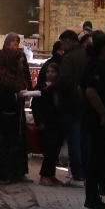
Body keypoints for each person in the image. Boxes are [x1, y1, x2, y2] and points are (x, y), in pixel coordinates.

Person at [0, 34, 32, 183]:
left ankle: (14, 172)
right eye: (19, 60)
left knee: (13, 144)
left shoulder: (15, 76)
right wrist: (16, 97)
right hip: (0, 119)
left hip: (13, 117)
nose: (21, 62)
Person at [80, 33, 105, 209]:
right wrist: (104, 114)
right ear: (104, 49)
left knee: (99, 158)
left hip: (97, 118)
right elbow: (90, 92)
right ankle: (91, 198)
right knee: (96, 158)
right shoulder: (98, 67)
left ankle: (94, 197)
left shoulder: (100, 65)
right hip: (98, 121)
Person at [52, 29, 88, 184]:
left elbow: (65, 80)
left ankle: (77, 176)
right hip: (86, 103)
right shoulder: (86, 55)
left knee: (73, 141)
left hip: (71, 104)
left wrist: (52, 87)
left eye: (62, 44)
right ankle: (86, 174)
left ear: (67, 41)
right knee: (85, 141)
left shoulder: (68, 58)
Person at [34, 38, 70, 186]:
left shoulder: (58, 88)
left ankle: (51, 174)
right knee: (49, 150)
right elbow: (36, 105)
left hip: (56, 122)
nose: (49, 74)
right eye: (48, 71)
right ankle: (44, 175)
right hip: (47, 123)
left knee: (54, 149)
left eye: (53, 72)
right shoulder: (42, 88)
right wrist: (40, 121)